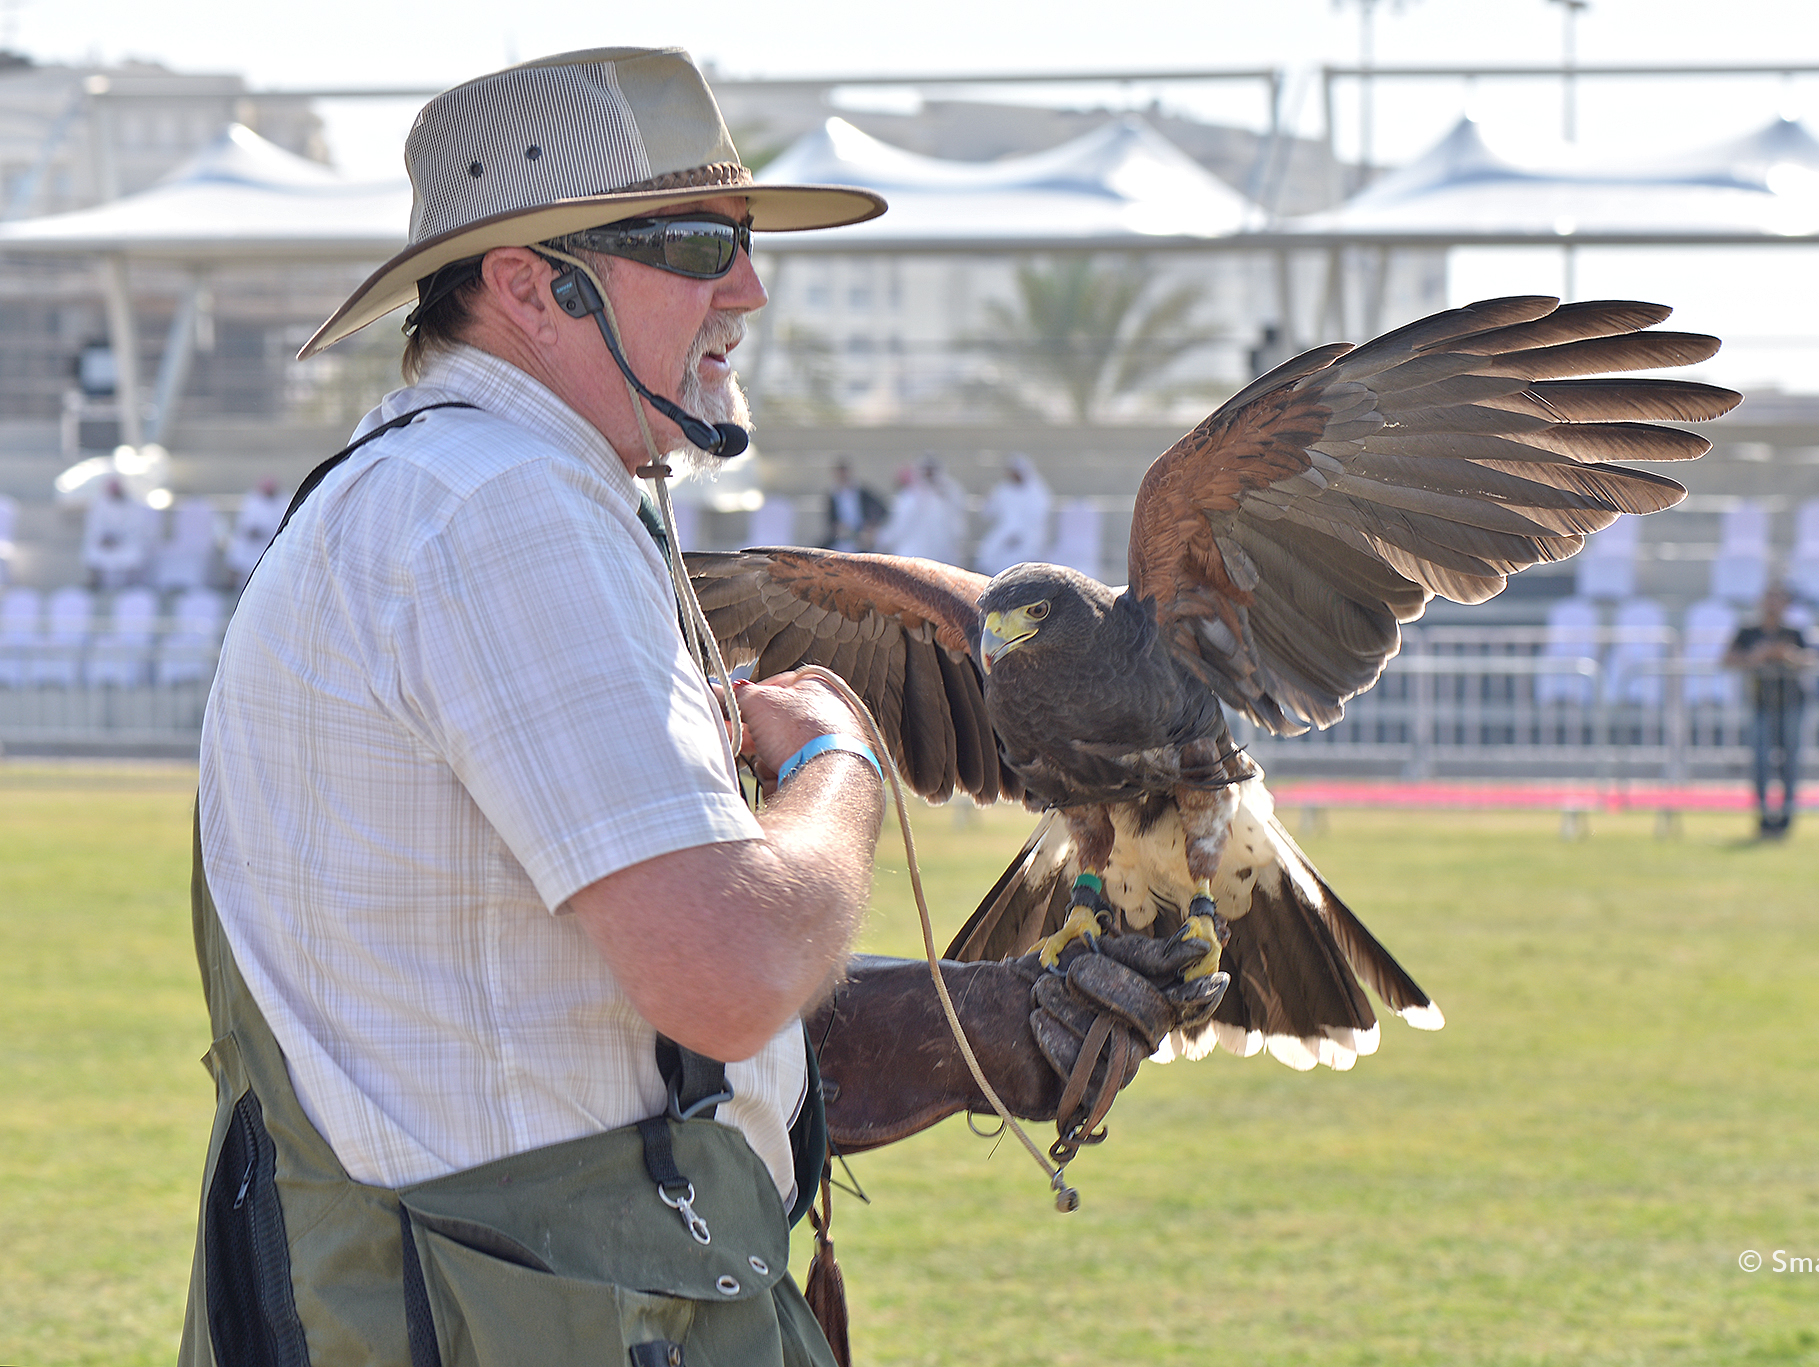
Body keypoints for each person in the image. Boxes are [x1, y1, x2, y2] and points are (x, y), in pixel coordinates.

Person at [182, 48, 1219, 1367]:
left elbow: (531, 1028)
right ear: (529, 281)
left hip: (500, 1296)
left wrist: (972, 1031)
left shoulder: (429, 489)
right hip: (512, 1315)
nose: (749, 286)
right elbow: (724, 971)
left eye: (742, 239)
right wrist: (840, 761)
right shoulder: (500, 507)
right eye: (693, 243)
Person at [1723, 585, 1816, 838]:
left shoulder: (1793, 632)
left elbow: (1811, 659)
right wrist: (1756, 656)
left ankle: (1786, 819)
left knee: (1790, 765)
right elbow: (1727, 659)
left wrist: (1789, 657)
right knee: (1761, 764)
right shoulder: (1749, 631)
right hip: (1761, 704)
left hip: (1791, 704)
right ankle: (1764, 818)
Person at [974, 452, 1053, 576]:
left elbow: (1039, 518)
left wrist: (1019, 535)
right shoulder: (1004, 489)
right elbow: (988, 513)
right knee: (989, 552)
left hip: (1028, 536)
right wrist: (987, 498)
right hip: (1004, 531)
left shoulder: (1036, 492)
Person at [80, 477, 153, 589]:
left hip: (126, 542)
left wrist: (119, 539)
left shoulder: (132, 506)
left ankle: (131, 582)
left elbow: (137, 528)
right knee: (92, 550)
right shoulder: (100, 505)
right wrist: (105, 538)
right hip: (106, 543)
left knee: (134, 553)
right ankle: (95, 581)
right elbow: (95, 526)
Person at [224, 476, 288, 588]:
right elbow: (245, 525)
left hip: (272, 548)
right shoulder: (252, 501)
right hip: (250, 549)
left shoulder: (283, 502)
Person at [821, 457, 886, 551]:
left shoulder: (862, 492)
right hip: (842, 539)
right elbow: (830, 522)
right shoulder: (832, 495)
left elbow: (881, 509)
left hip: (862, 538)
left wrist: (870, 526)